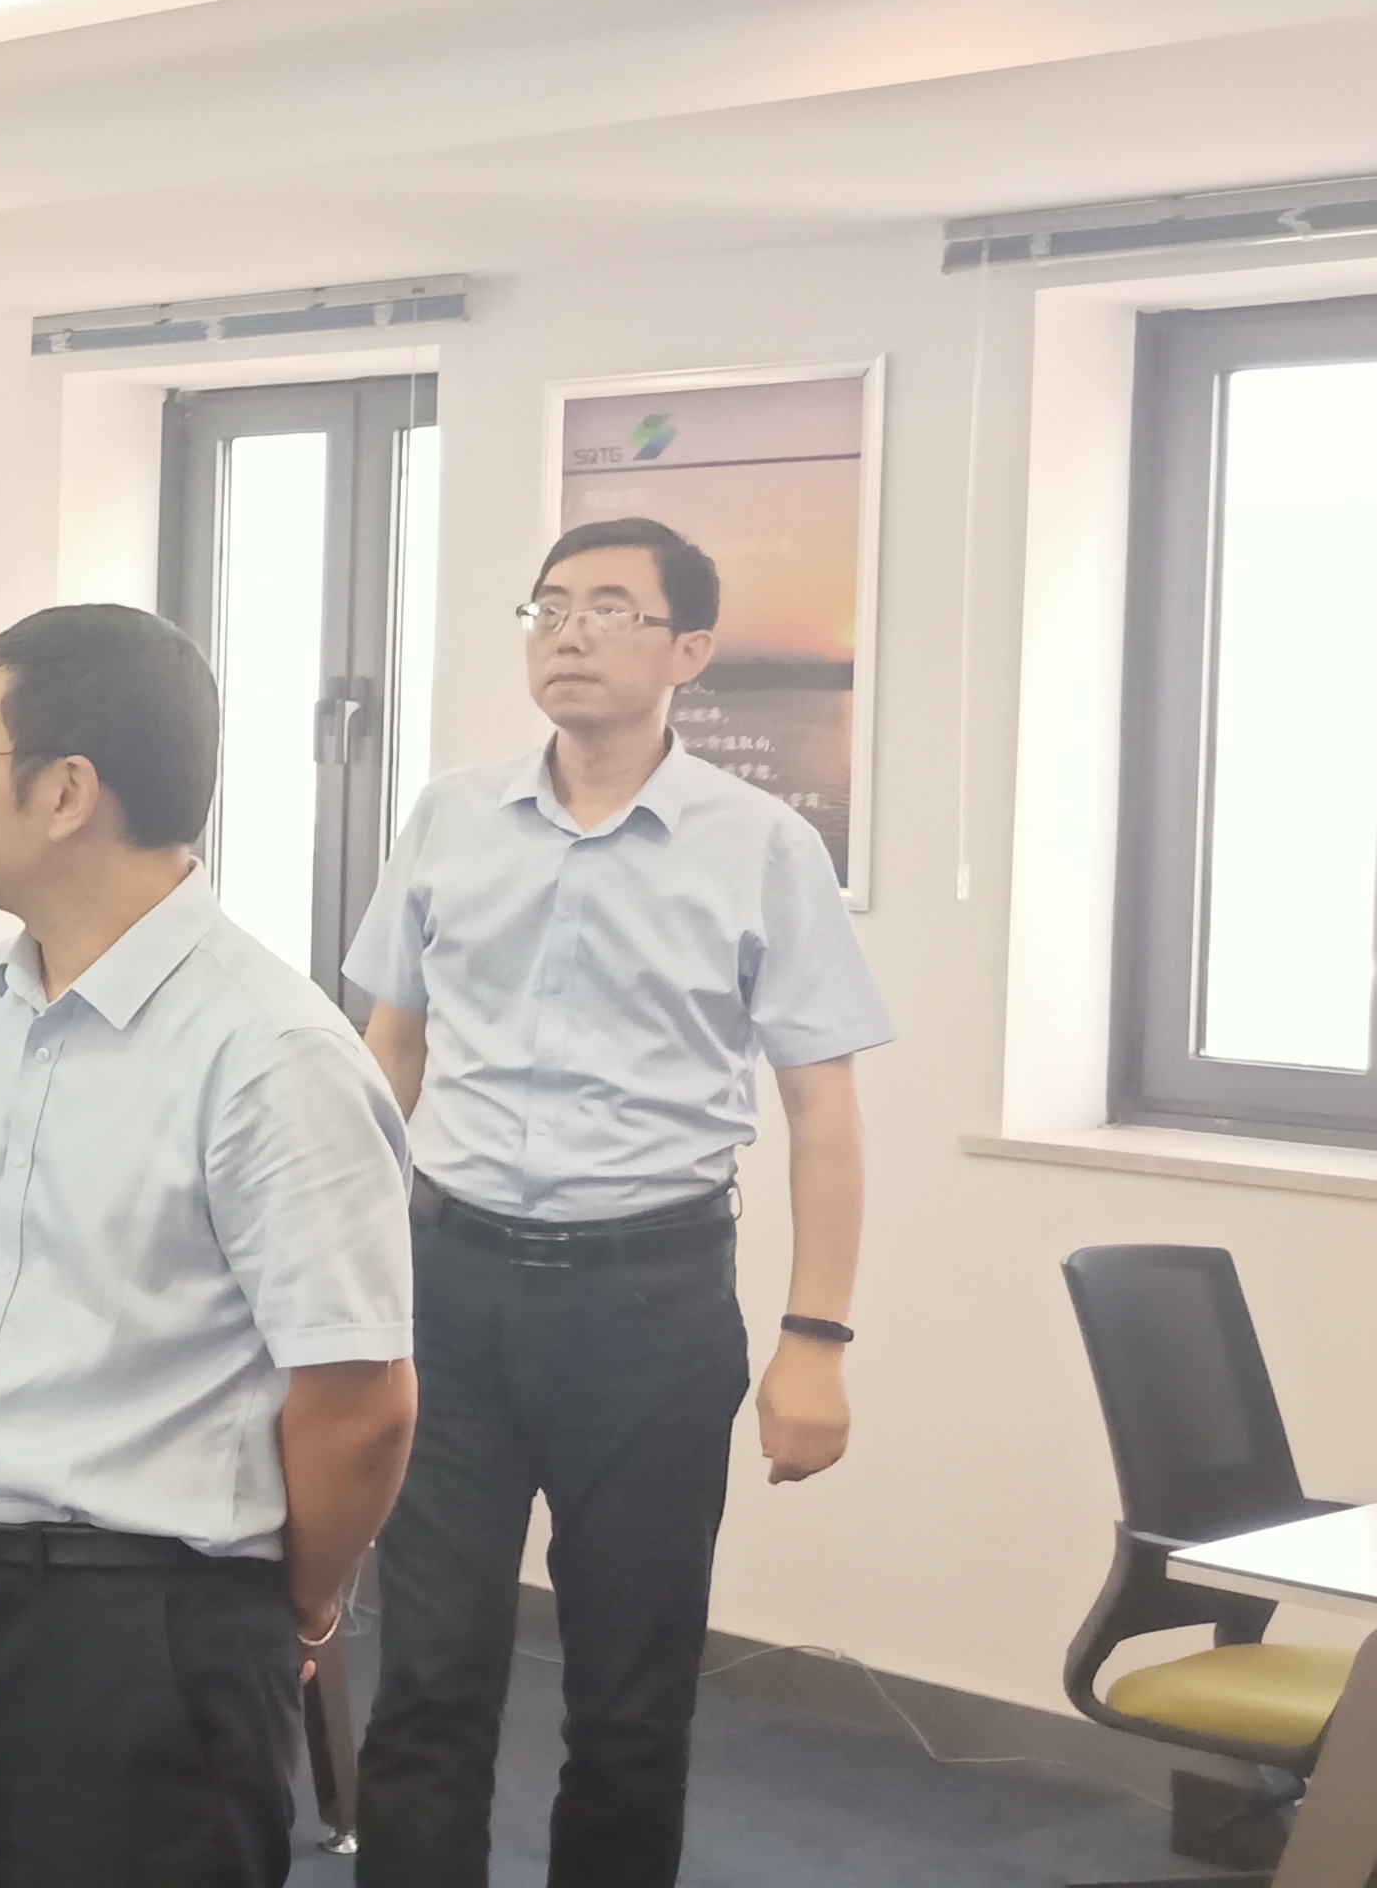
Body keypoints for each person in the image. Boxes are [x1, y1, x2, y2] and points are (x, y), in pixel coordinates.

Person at [348, 517, 890, 1888]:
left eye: (608, 608)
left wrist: (815, 1341)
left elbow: (824, 1117)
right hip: (447, 1294)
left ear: (688, 652)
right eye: (548, 607)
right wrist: (333, 1271)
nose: (569, 633)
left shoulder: (763, 846)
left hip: (648, 1310)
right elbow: (389, 1054)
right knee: (424, 1681)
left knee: (631, 1702)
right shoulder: (450, 817)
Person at [0, 603, 419, 1888]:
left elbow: (361, 1406)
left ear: (67, 791)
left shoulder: (270, 1054)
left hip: (150, 1629)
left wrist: (290, 1607)